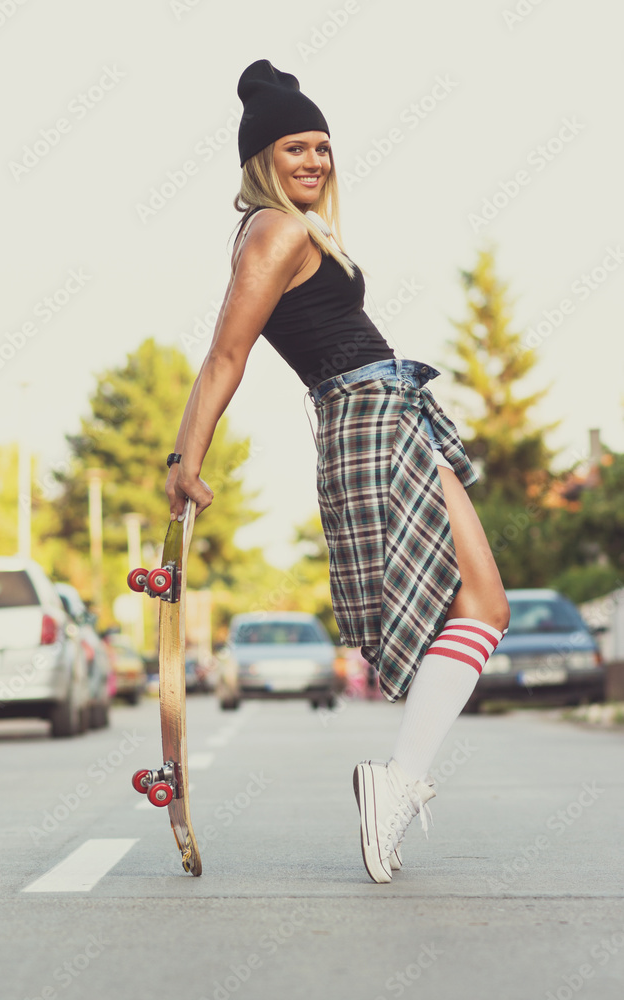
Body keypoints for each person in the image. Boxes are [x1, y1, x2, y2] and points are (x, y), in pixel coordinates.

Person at [165, 60, 510, 884]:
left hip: (386, 410)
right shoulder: (273, 232)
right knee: (485, 604)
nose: (314, 160)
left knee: (480, 605)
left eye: (322, 146)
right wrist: (185, 460)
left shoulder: (294, 231)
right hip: (369, 418)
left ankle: (397, 780)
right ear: (261, 161)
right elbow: (225, 353)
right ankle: (395, 782)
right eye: (295, 147)